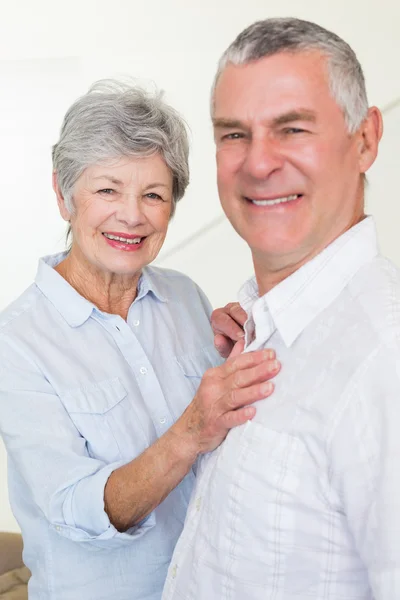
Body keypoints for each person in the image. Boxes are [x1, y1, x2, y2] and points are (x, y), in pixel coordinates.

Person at [0, 81, 280, 600]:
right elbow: (76, 511)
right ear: (64, 196)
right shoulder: (16, 343)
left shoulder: (185, 297)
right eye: (107, 190)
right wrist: (195, 426)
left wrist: (239, 353)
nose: (132, 215)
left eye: (153, 194)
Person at [162, 17, 399, 600]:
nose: (258, 163)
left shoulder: (382, 362)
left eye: (292, 128)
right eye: (234, 134)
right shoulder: (252, 331)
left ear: (365, 139)